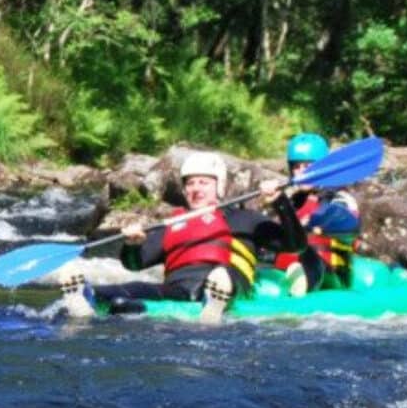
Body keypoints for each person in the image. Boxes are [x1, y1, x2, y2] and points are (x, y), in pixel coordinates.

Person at [62, 151, 308, 324]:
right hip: (178, 290)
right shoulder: (172, 223)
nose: (196, 189)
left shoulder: (244, 220)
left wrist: (280, 202)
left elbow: (295, 245)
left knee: (222, 277)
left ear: (220, 186)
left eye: (203, 182)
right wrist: (132, 245)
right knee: (127, 291)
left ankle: (216, 297)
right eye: (190, 183)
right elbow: (135, 264)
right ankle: (87, 297)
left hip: (229, 283)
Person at [261, 133, 361, 296]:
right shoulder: (292, 202)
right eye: (296, 166)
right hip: (285, 273)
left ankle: (302, 281)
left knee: (308, 253)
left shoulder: (340, 199)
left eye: (308, 166)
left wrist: (313, 221)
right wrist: (278, 202)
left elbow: (349, 223)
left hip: (330, 277)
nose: (301, 172)